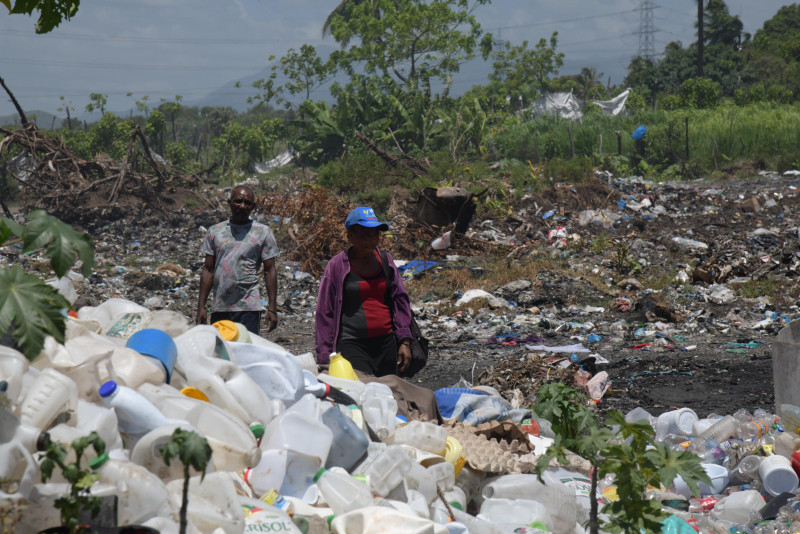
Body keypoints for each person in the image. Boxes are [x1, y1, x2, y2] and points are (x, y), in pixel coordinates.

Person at [315, 206, 413, 376]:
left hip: (386, 342)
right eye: (365, 233)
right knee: (362, 392)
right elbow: (325, 312)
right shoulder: (337, 265)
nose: (371, 239)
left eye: (375, 234)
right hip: (352, 343)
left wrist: (404, 340)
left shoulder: (385, 260)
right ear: (350, 235)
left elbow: (400, 299)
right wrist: (325, 356)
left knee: (389, 394)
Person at [196, 185, 279, 335]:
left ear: (253, 207)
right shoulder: (215, 231)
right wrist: (201, 306)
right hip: (221, 306)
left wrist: (272, 308)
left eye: (247, 203)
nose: (242, 206)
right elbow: (208, 269)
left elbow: (269, 269)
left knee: (247, 352)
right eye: (238, 201)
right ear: (229, 202)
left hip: (249, 306)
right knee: (222, 353)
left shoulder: (263, 232)